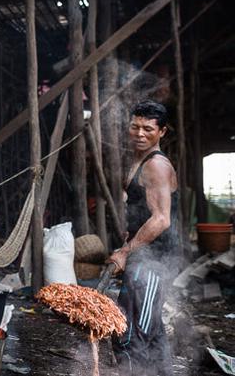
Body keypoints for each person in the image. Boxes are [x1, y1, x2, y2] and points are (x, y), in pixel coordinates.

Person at [109, 100, 181, 376]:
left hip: (156, 258)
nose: (140, 134)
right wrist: (129, 237)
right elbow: (143, 209)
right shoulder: (140, 158)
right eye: (135, 127)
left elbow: (161, 218)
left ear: (162, 132)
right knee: (147, 323)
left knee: (133, 330)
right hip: (144, 253)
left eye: (148, 129)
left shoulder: (157, 165)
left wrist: (126, 251)